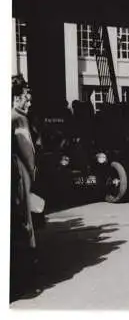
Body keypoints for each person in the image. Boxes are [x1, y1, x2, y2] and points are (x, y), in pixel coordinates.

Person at [11, 76, 37, 299]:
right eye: (24, 98)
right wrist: (31, 171)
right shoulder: (18, 119)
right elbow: (27, 150)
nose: (28, 102)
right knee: (23, 217)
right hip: (17, 171)